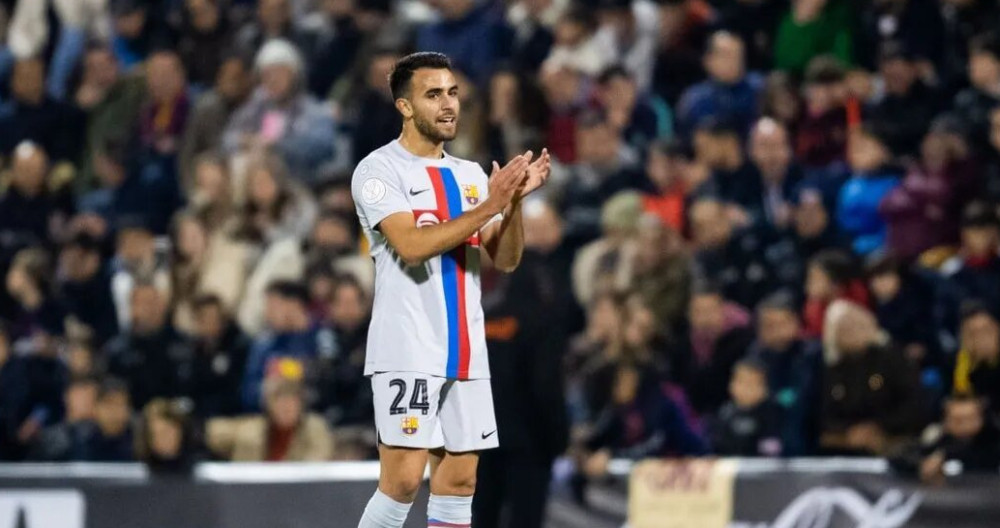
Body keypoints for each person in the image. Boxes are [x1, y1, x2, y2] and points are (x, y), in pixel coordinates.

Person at [351, 52, 550, 528]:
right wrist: (490, 207)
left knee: (460, 483)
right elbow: (412, 245)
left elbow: (504, 258)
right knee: (400, 483)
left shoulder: (469, 175)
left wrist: (514, 204)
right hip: (408, 345)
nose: (449, 105)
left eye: (453, 92)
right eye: (434, 94)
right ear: (404, 106)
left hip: (466, 349)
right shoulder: (378, 171)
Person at [710, 359, 783, 456]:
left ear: (765, 388)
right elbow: (717, 446)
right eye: (741, 382)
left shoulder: (773, 414)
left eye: (752, 384)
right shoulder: (725, 413)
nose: (746, 389)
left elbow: (773, 448)